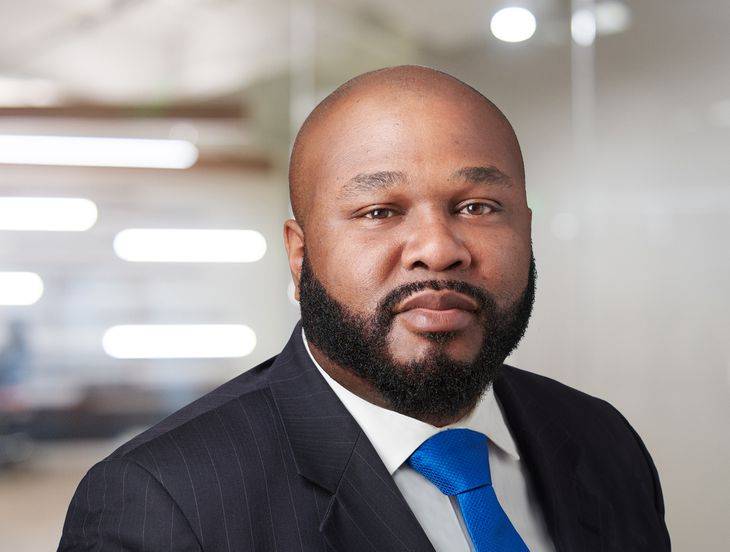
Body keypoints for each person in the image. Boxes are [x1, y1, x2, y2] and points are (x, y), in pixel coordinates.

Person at [58, 66, 670, 551]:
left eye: (478, 207)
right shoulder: (161, 500)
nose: (439, 249)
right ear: (299, 256)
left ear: (527, 230)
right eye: (380, 212)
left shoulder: (602, 440)